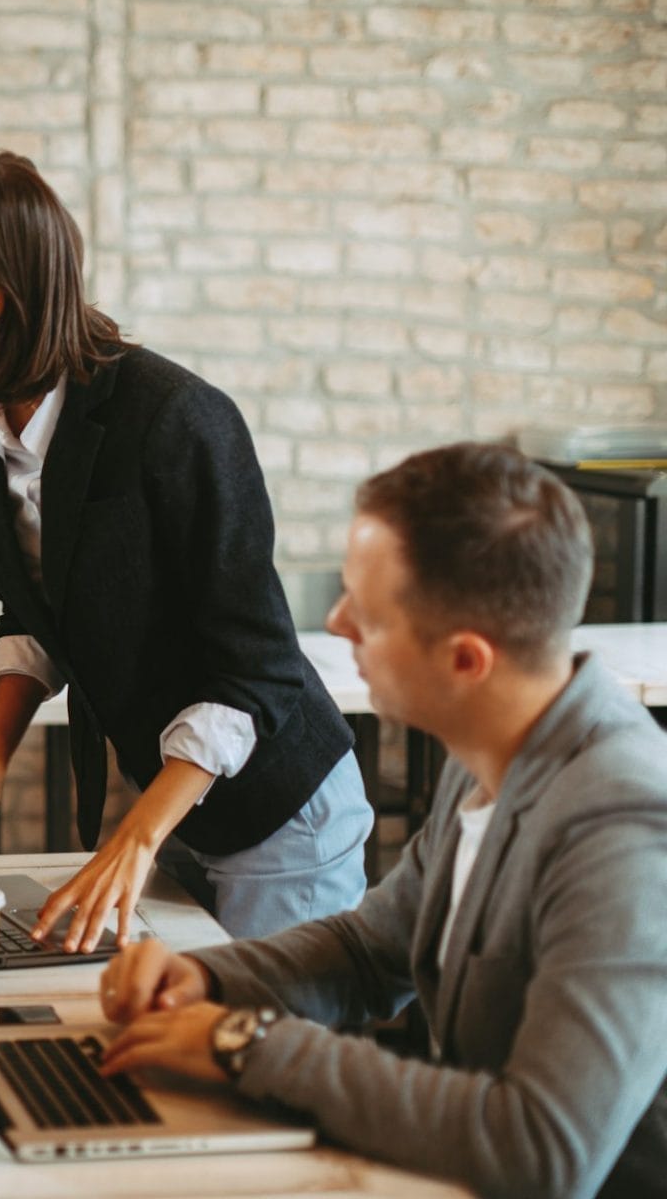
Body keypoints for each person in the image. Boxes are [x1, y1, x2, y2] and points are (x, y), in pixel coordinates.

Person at [96, 442, 667, 1198]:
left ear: (467, 661)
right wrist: (206, 978)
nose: (335, 626)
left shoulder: (625, 825)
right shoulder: (495, 750)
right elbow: (372, 952)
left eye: (366, 613)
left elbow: (542, 1148)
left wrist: (248, 1042)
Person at [0, 151, 372, 948]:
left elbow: (257, 669)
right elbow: (28, 605)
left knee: (259, 1057)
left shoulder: (177, 420)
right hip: (171, 805)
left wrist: (138, 836)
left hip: (281, 812)